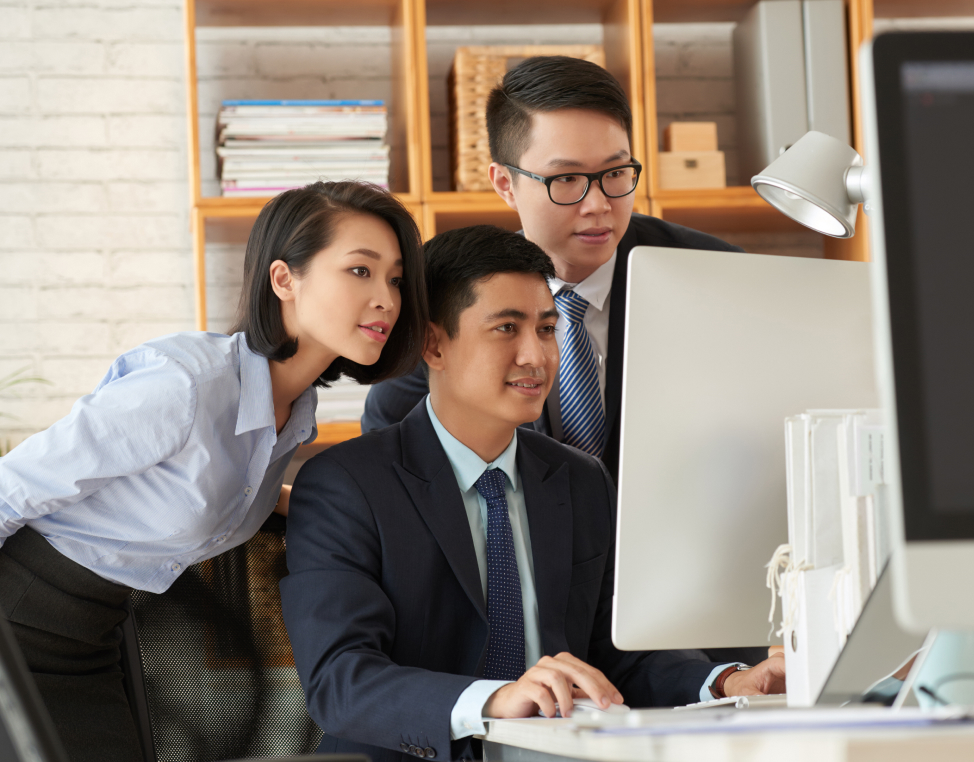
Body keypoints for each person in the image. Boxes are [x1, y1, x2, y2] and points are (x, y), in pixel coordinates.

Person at [280, 225, 785, 762]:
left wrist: (728, 682)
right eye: (506, 328)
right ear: (433, 344)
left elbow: (617, 657)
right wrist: (496, 698)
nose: (537, 357)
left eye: (547, 330)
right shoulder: (345, 484)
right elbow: (342, 681)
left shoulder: (579, 479)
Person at [0, 181, 428, 762]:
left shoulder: (293, 413)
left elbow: (237, 495)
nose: (386, 298)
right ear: (284, 280)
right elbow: (13, 487)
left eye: (395, 279)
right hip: (19, 618)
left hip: (95, 636)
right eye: (360, 271)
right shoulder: (187, 387)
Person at [362, 55, 743, 482]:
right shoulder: (446, 285)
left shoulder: (714, 273)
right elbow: (389, 449)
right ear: (505, 184)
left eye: (616, 172)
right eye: (566, 180)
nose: (598, 204)